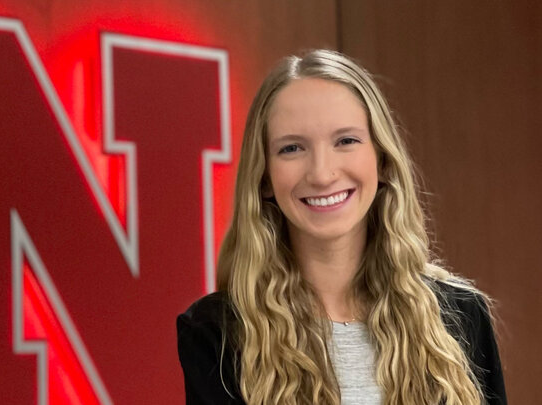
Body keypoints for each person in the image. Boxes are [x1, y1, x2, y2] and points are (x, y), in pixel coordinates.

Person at [176, 49, 506, 405]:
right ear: (265, 178)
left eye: (346, 141)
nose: (321, 173)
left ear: (381, 159)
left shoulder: (461, 316)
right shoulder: (217, 333)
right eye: (291, 148)